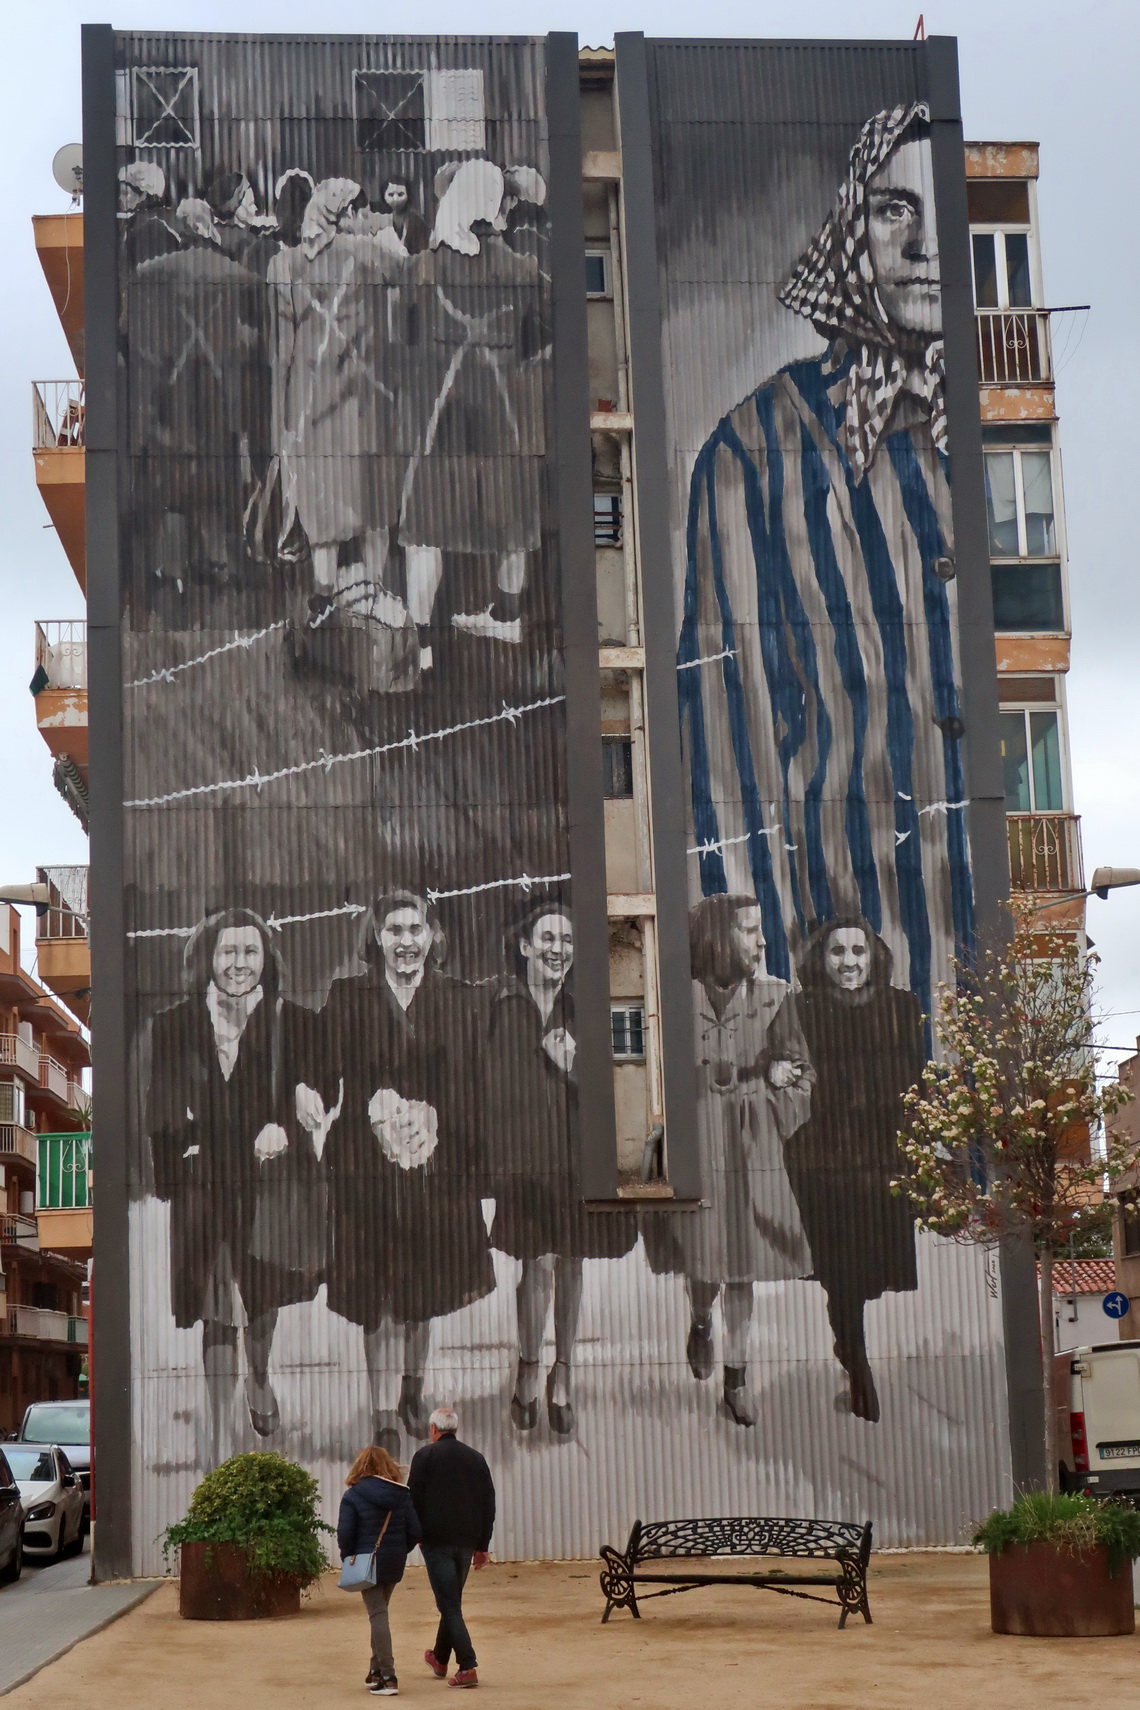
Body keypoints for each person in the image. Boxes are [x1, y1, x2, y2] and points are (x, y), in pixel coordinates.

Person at [678, 101, 972, 1029]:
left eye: (941, 210)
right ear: (854, 229)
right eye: (894, 210)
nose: (923, 243)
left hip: (990, 965)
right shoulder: (755, 448)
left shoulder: (988, 439)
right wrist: (767, 999)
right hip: (852, 968)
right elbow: (729, 741)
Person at [311, 892, 494, 1457]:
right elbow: (320, 1070)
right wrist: (312, 1098)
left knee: (423, 1293)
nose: (407, 940)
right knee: (378, 1299)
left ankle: (413, 1392)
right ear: (379, 938)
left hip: (436, 1166)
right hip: (367, 1172)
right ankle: (382, 1413)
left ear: (432, 936)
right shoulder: (348, 997)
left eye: (416, 929)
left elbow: (474, 1085)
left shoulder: (460, 1000)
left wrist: (435, 1121)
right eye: (395, 930)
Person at [146, 908, 329, 1463]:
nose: (239, 964)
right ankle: (220, 1421)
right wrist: (178, 1159)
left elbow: (314, 1081)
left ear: (265, 959)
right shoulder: (174, 1024)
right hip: (205, 1181)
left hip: (267, 1182)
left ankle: (259, 1375)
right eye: (228, 952)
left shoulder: (288, 1019)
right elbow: (160, 1109)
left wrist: (298, 1108)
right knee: (214, 1302)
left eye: (250, 952)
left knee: (263, 1296)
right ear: (208, 957)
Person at [642, 895, 814, 1426]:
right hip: (695, 1140)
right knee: (702, 1263)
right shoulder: (673, 996)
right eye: (749, 930)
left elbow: (803, 1072)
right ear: (718, 937)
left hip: (750, 1143)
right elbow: (650, 1072)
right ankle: (699, 1319)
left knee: (743, 1268)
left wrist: (778, 1084)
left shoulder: (775, 996)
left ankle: (736, 1378)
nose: (761, 941)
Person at [484, 903, 636, 1436]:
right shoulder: (500, 1009)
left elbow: (625, 1085)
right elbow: (487, 1090)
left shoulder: (589, 1010)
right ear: (525, 945)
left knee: (572, 1260)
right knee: (537, 1264)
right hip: (526, 1163)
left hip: (575, 1159)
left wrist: (575, 1068)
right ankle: (529, 1363)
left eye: (567, 941)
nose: (557, 949)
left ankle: (563, 1369)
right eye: (547, 938)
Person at [398, 158, 548, 665]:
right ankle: (507, 619)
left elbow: (405, 345)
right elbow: (542, 342)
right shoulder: (526, 272)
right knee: (512, 522)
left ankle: (422, 647)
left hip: (442, 419)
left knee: (423, 533)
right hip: (502, 419)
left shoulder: (420, 270)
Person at [269, 177, 416, 688]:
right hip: (364, 396)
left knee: (322, 502)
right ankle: (372, 591)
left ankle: (324, 597)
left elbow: (282, 349)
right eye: (359, 209)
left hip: (309, 401)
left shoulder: (284, 264)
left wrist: (283, 421)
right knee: (373, 497)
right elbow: (408, 274)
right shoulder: (368, 252)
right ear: (347, 212)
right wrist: (385, 235)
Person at [785, 916, 925, 1423]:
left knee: (870, 1273)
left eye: (858, 952)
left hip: (882, 1158)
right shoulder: (803, 1010)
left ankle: (852, 1346)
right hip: (825, 1160)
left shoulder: (903, 1007)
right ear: (820, 959)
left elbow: (918, 1079)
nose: (849, 962)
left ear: (875, 957)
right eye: (838, 952)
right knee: (840, 1273)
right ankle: (856, 1359)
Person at [409, 1407, 494, 1690]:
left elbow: (413, 1500)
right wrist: (482, 1545)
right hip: (467, 1543)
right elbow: (487, 1504)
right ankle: (440, 1658)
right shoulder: (476, 1458)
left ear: (433, 1429)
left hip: (436, 1542)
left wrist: (415, 1536)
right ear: (454, 1429)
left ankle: (467, 1666)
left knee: (448, 1604)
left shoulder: (424, 1457)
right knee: (452, 1601)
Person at [338, 1443, 424, 1697]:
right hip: (394, 1560)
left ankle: (388, 1676)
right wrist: (399, 1550)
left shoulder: (353, 1495)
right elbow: (416, 1531)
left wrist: (349, 1558)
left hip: (366, 1561)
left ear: (361, 1466)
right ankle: (375, 1670)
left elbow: (345, 1534)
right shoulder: (402, 1495)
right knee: (380, 1612)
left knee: (377, 1615)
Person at [377, 178, 430, 256]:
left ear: (408, 195)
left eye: (400, 194)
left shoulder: (416, 220)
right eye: (391, 195)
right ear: (383, 195)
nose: (395, 199)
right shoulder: (378, 218)